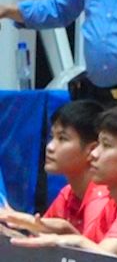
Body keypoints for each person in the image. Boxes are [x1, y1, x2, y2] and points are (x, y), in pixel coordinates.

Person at [12, 104, 117, 255]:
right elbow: (91, 254)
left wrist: (74, 240)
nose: (94, 154)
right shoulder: (113, 202)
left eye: (106, 145)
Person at [0, 100, 108, 239]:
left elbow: (92, 258)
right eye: (52, 137)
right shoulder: (67, 194)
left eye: (62, 138)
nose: (50, 147)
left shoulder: (102, 197)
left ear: (92, 150)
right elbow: (40, 244)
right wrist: (10, 235)